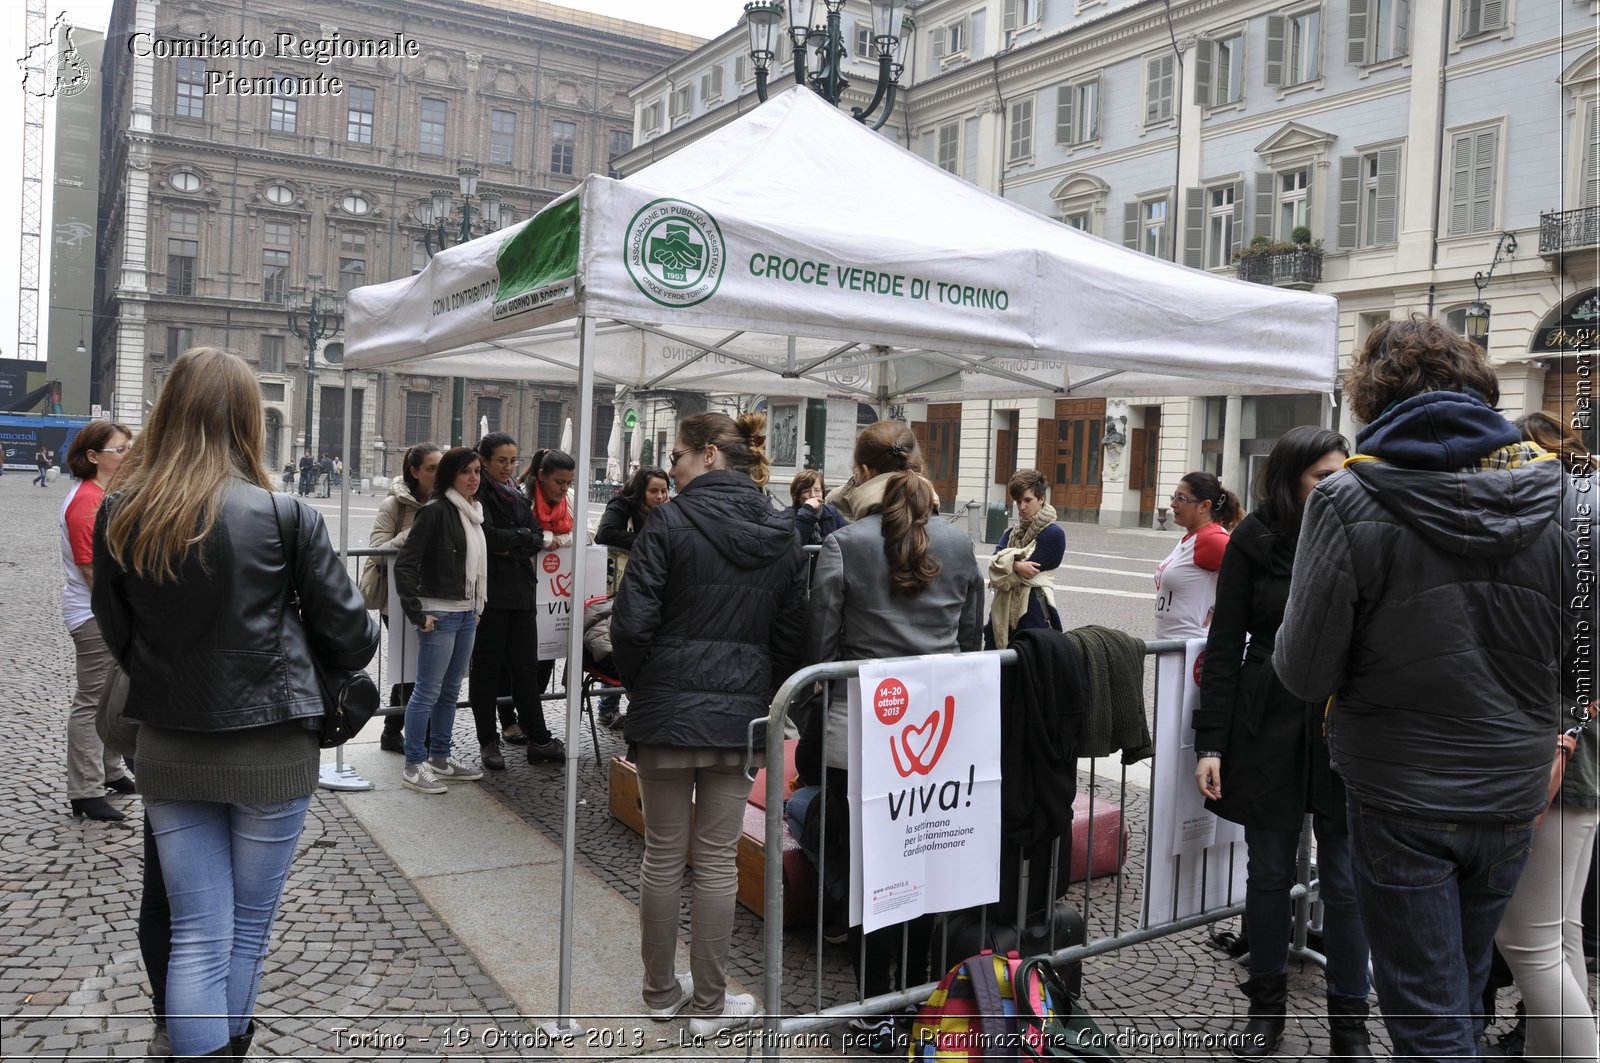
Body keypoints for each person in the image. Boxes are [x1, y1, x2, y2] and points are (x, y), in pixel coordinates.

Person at [1273, 316, 1578, 1062]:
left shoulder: (1347, 501)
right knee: (1459, 988)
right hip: (1512, 787)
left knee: (1426, 1011)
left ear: (1370, 397)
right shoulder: (1567, 498)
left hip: (1400, 791)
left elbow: (1304, 672)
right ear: (1477, 383)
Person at [92, 346, 377, 1060]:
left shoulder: (123, 512)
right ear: (250, 418)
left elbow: (118, 637)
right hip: (272, 744)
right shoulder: (286, 514)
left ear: (166, 413)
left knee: (195, 932)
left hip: (170, 743)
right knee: (245, 929)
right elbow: (352, 637)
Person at [612, 412, 806, 1040]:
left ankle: (661, 992)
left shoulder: (667, 521)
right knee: (717, 861)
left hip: (670, 710)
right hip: (739, 714)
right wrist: (761, 687)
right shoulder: (781, 530)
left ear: (711, 457)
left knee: (664, 856)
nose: (671, 469)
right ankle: (711, 1004)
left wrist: (649, 685)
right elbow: (790, 634)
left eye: (679, 456)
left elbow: (631, 625)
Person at [802, 419, 985, 1050]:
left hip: (861, 734)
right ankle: (919, 996)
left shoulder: (844, 543)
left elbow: (822, 648)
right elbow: (971, 643)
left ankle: (875, 1004)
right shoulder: (961, 546)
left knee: (870, 875)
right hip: (940, 733)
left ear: (862, 472)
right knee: (929, 869)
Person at [1192, 426, 1371, 1060]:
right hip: (1266, 716)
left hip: (1340, 718)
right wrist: (1208, 742)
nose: (1338, 483)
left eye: (1343, 472)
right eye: (1324, 475)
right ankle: (1265, 1008)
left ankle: (1350, 1023)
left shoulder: (1360, 523)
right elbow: (1224, 643)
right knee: (1268, 873)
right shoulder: (1255, 535)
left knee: (1347, 881)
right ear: (1292, 473)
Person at [1493, 412, 1599, 1063]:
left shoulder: (1561, 536)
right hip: (1570, 752)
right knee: (1556, 935)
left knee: (1529, 939)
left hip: (1557, 755)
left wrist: (1560, 734)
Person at [392, 447, 488, 794]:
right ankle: (413, 764)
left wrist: (475, 608)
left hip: (465, 612)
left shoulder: (474, 512)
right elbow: (405, 564)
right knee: (427, 691)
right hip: (440, 612)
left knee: (449, 690)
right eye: (466, 471)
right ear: (451, 475)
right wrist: (417, 613)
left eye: (477, 471)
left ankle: (440, 757)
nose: (474, 477)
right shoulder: (435, 511)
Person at [60, 419, 137, 821]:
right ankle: (85, 789)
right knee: (92, 700)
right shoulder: (87, 502)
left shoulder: (102, 494)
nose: (126, 455)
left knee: (112, 694)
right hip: (93, 614)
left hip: (102, 610)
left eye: (127, 447)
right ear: (93, 457)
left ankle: (110, 770)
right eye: (119, 450)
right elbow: (93, 572)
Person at [467, 433, 556, 770]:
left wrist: (516, 541)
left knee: (525, 668)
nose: (508, 466)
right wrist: (522, 539)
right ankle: (487, 741)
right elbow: (488, 537)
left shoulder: (516, 494)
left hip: (521, 592)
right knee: (487, 670)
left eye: (513, 460)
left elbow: (537, 536)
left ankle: (539, 738)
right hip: (490, 594)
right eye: (501, 460)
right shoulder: (480, 493)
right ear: (485, 460)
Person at [362, 442, 443, 753]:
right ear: (414, 472)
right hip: (397, 599)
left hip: (437, 595)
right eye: (431, 469)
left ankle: (393, 730)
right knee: (411, 666)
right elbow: (378, 552)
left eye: (441, 468)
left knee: (419, 666)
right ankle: (417, 734)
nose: (437, 475)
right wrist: (419, 528)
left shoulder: (449, 502)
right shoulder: (394, 505)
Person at [593, 465, 671, 727]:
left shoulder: (666, 511)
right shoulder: (621, 504)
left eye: (664, 490)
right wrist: (646, 542)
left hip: (649, 585)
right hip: (617, 585)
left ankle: (638, 705)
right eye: (654, 491)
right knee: (618, 643)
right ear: (640, 491)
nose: (660, 496)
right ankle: (608, 705)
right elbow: (605, 533)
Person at [516, 447, 577, 763]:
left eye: (568, 483)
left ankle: (530, 716)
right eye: (559, 482)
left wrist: (556, 538)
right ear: (541, 477)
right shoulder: (522, 499)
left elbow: (581, 534)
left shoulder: (569, 502)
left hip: (552, 596)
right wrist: (545, 538)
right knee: (515, 662)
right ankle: (510, 722)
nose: (564, 489)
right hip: (520, 591)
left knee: (545, 659)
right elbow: (525, 536)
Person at [1152, 471, 1239, 639]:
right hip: (1174, 645)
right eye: (1174, 497)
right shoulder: (1191, 537)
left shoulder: (1211, 539)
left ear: (1204, 506)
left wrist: (1217, 610)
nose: (1173, 504)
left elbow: (1250, 573)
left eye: (1182, 499)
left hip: (1192, 647)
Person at [986, 467, 1064, 649]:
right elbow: (993, 565)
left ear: (1041, 499)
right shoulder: (1012, 532)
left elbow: (1031, 569)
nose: (1022, 507)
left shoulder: (1054, 534)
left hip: (1034, 613)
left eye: (1028, 500)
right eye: (1018, 501)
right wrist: (1018, 566)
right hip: (1002, 614)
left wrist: (1007, 564)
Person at [788, 469, 844, 545]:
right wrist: (807, 510)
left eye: (817, 490)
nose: (813, 495)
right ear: (797, 495)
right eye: (806, 491)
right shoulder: (789, 515)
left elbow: (848, 534)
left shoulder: (831, 512)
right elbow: (795, 543)